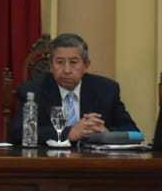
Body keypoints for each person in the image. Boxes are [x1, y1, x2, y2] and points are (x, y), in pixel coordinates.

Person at [7, 32, 138, 145]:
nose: (67, 70)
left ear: (86, 65)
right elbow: (17, 134)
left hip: (94, 162)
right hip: (50, 162)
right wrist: (69, 133)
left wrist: (107, 134)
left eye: (73, 62)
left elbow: (135, 134)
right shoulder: (33, 91)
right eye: (60, 62)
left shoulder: (106, 90)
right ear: (51, 66)